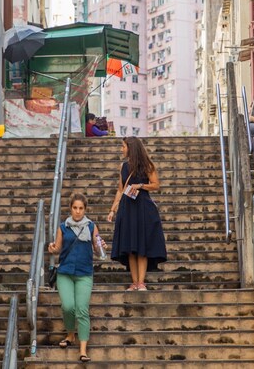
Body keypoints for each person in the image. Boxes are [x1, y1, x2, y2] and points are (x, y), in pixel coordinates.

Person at [48, 193, 105, 363]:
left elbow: (97, 249)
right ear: (71, 208)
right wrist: (52, 247)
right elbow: (57, 248)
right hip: (65, 272)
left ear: (85, 210)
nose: (78, 211)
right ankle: (70, 334)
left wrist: (101, 246)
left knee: (81, 309)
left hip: (84, 273)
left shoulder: (91, 226)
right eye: (75, 208)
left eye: (81, 208)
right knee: (68, 306)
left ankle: (82, 350)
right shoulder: (63, 227)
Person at [107, 137, 167, 291]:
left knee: (142, 246)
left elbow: (156, 185)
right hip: (127, 209)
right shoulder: (124, 166)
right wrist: (113, 210)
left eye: (123, 146)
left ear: (131, 148)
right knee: (130, 247)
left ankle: (141, 282)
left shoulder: (147, 165)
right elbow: (121, 190)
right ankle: (134, 282)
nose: (122, 149)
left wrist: (140, 185)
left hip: (143, 209)